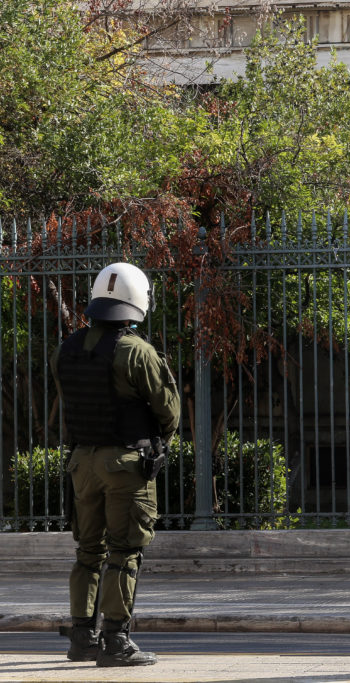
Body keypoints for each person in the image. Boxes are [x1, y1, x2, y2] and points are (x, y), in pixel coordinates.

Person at [53, 262, 180, 667]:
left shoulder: (66, 348)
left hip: (81, 464)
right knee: (124, 551)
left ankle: (81, 638)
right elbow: (169, 411)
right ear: (137, 301)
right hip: (124, 464)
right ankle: (115, 642)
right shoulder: (135, 351)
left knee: (87, 550)